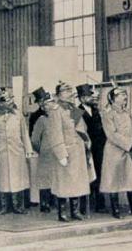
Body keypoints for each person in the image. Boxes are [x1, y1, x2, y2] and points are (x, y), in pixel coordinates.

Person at [45, 81, 94, 222]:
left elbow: (82, 130)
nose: (69, 94)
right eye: (65, 91)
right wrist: (61, 153)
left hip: (78, 150)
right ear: (59, 95)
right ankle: (62, 212)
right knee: (63, 183)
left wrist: (87, 146)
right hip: (66, 151)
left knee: (76, 182)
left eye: (70, 91)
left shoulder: (74, 109)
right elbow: (55, 133)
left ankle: (75, 211)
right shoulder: (56, 111)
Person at [0, 87, 33, 215]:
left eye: (11, 99)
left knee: (18, 179)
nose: (11, 102)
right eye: (8, 100)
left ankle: (18, 206)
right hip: (1, 152)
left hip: (17, 151)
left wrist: (28, 149)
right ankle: (3, 206)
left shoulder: (18, 115)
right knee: (3, 180)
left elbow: (24, 133)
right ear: (0, 102)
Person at [100, 86, 132, 219]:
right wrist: (128, 144)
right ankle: (116, 210)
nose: (124, 97)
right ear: (113, 99)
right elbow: (111, 134)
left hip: (129, 151)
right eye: (121, 95)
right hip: (114, 151)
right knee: (114, 180)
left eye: (125, 95)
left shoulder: (128, 114)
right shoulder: (108, 115)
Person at [76, 83, 107, 214]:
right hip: (85, 148)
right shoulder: (76, 111)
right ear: (82, 98)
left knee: (99, 174)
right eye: (89, 96)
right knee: (85, 176)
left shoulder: (96, 111)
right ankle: (83, 206)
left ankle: (100, 204)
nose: (92, 98)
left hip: (99, 148)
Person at [30, 87, 56, 213]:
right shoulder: (41, 119)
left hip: (57, 153)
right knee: (45, 179)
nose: (51, 106)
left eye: (52, 103)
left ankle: (54, 202)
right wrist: (42, 149)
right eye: (48, 104)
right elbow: (34, 139)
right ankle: (44, 204)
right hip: (46, 154)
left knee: (56, 177)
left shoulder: (58, 118)